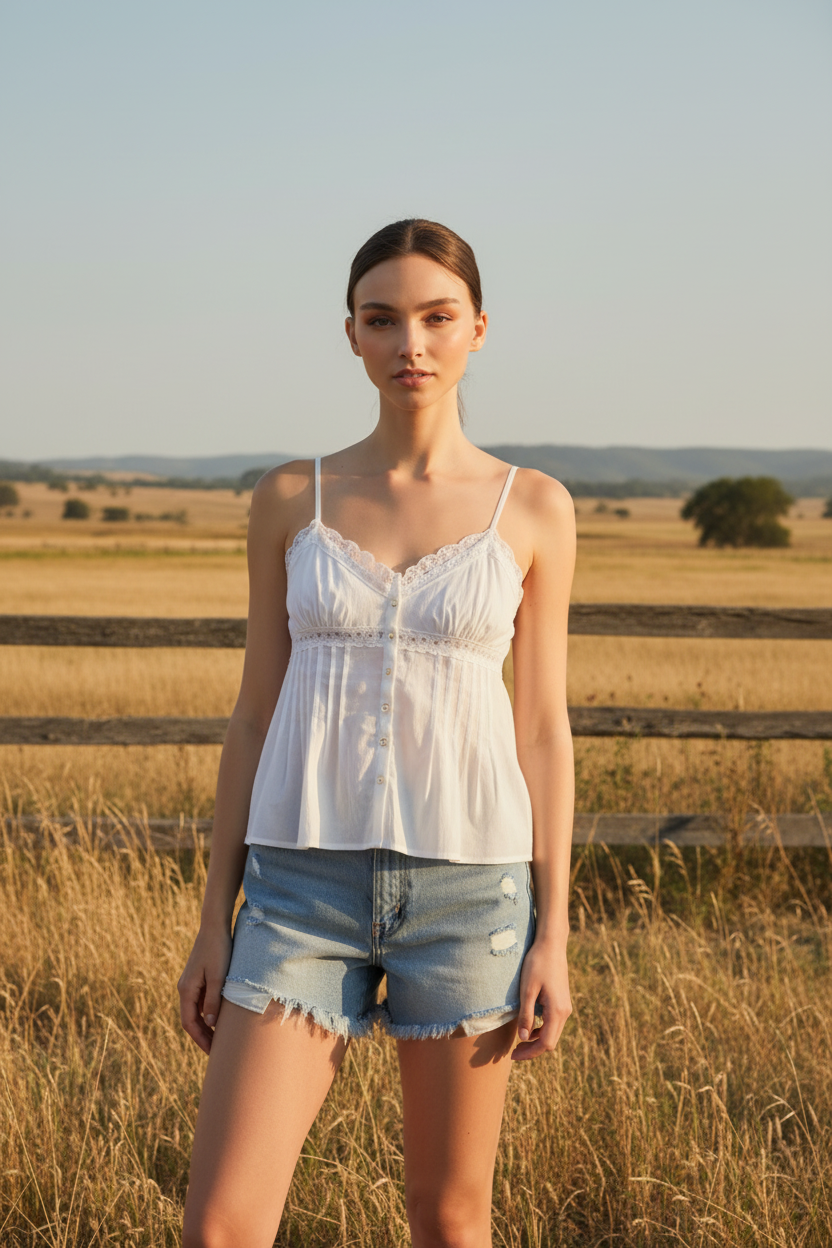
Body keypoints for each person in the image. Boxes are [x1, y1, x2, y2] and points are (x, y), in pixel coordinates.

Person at [178, 218, 576, 1248]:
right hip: (299, 889)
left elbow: (540, 726)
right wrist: (212, 918)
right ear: (349, 335)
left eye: (437, 318)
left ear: (478, 330)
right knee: (222, 1222)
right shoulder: (288, 498)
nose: (411, 343)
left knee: (449, 1218)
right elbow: (255, 711)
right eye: (383, 318)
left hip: (471, 895)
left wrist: (555, 931)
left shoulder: (530, 507)